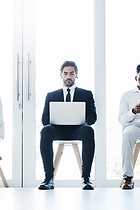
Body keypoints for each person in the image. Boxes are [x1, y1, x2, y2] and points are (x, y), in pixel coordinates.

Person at [39, 61, 97, 190]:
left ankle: (86, 178)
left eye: (72, 73)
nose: (69, 76)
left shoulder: (86, 94)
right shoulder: (51, 95)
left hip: (78, 129)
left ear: (76, 75)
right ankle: (48, 178)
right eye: (66, 73)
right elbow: (44, 119)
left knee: (89, 130)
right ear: (61, 75)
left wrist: (83, 120)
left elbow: (93, 117)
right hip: (58, 129)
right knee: (45, 130)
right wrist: (55, 119)